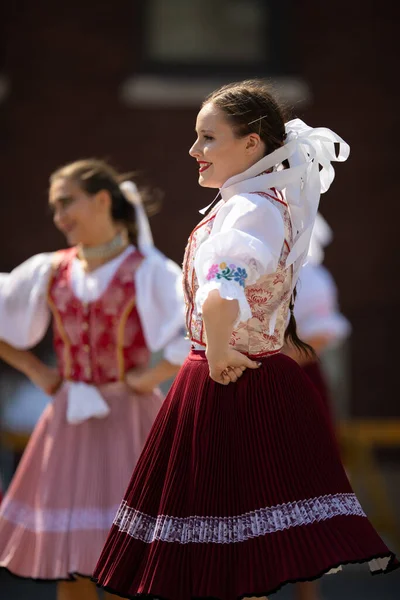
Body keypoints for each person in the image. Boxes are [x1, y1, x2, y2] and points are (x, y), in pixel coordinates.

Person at [93, 80, 398, 600]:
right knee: (237, 554)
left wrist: (215, 350)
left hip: (232, 382)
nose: (194, 151)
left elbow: (221, 286)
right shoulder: (248, 203)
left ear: (252, 143)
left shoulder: (250, 207)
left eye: (208, 138)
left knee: (231, 556)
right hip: (236, 376)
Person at [0, 159, 190, 600]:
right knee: (72, 566)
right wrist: (37, 371)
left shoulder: (147, 270)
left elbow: (197, 327)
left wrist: (156, 373)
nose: (59, 216)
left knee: (133, 561)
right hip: (68, 422)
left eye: (67, 202)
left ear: (102, 200)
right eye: (54, 207)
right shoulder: (50, 269)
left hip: (132, 421)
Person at [285, 214, 352, 600]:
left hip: (299, 387)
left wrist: (275, 355)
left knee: (303, 488)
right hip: (256, 381)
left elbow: (323, 335)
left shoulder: (312, 278)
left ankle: (308, 592)